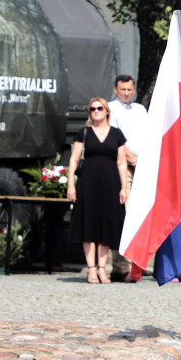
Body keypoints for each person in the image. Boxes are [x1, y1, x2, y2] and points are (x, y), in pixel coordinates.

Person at [67, 98, 128, 283]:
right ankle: (91, 269)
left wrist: (124, 187)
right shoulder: (83, 133)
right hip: (88, 184)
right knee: (88, 224)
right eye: (92, 109)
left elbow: (122, 162)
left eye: (99, 108)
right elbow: (73, 160)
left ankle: (102, 268)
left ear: (107, 111)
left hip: (110, 186)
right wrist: (70, 185)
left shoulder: (117, 134)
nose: (95, 111)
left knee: (106, 225)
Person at [108, 74, 148, 281]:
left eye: (129, 89)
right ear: (116, 89)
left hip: (143, 166)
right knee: (124, 214)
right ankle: (121, 265)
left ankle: (137, 263)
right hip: (123, 166)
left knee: (140, 213)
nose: (126, 93)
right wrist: (133, 160)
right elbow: (115, 140)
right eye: (123, 89)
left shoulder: (140, 109)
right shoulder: (109, 108)